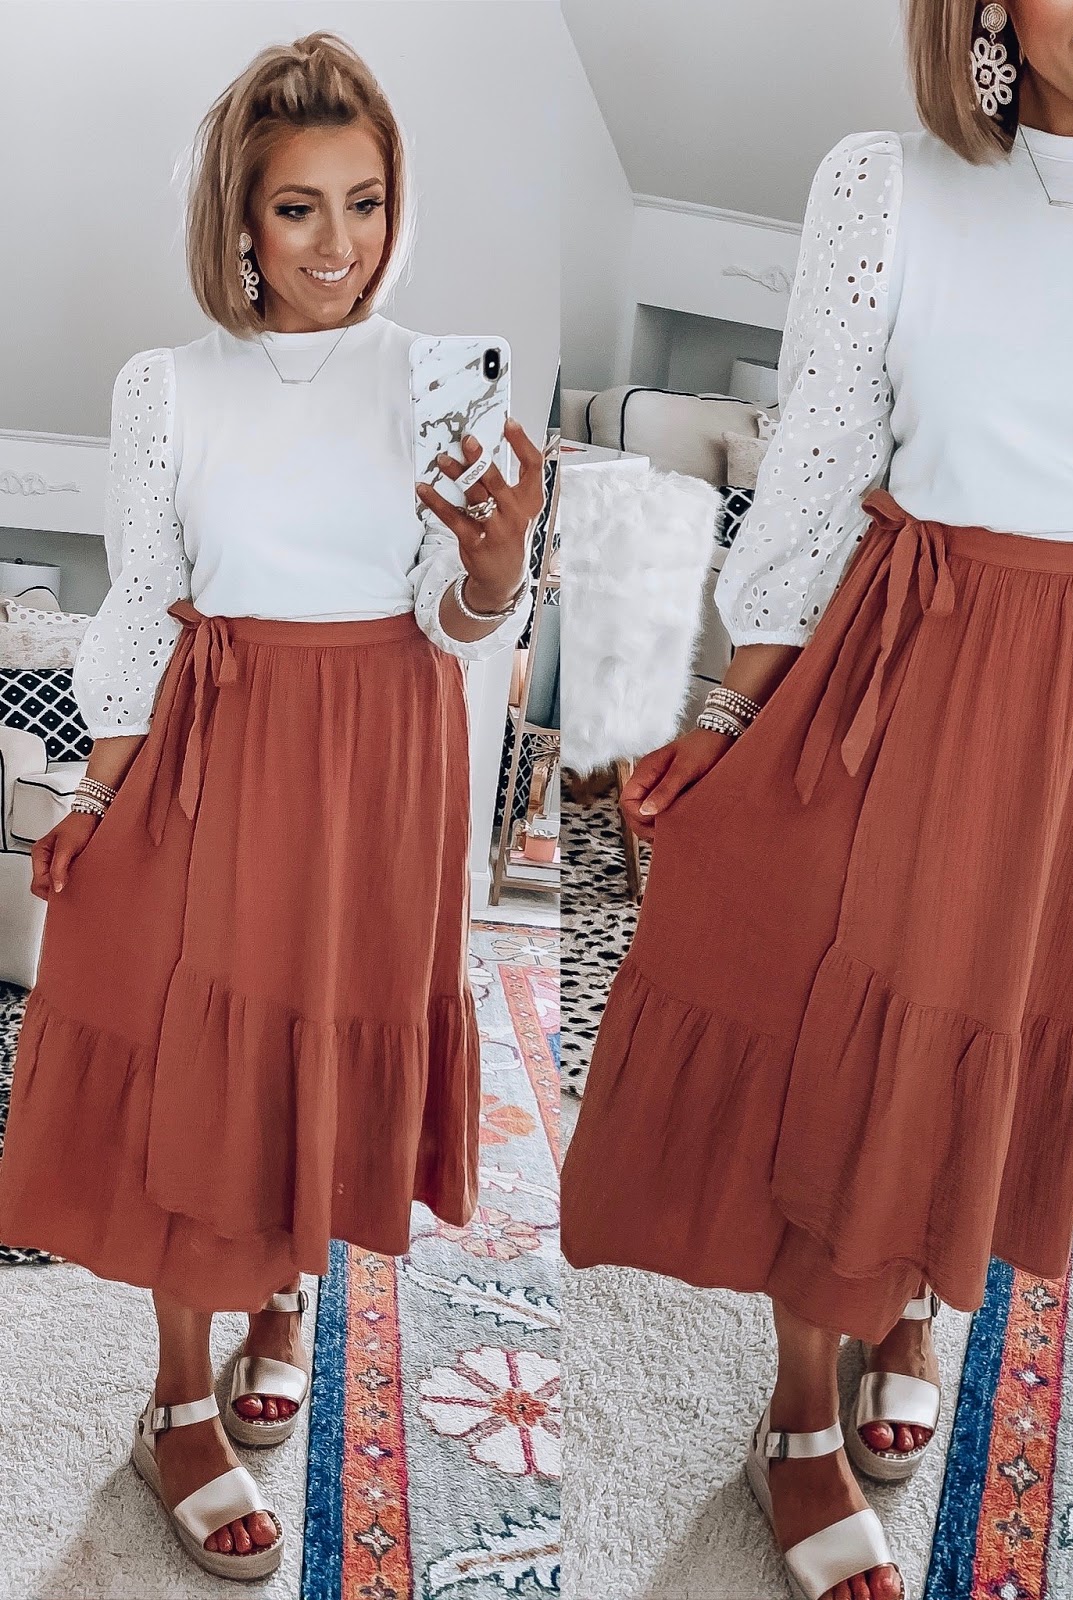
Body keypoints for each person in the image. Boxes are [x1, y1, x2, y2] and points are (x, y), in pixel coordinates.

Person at [559, 3, 1073, 1597]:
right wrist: (725, 709)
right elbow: (819, 467)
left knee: (995, 1004)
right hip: (896, 649)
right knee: (828, 1009)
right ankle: (794, 1418)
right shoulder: (880, 184)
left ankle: (907, 1301)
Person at [0, 31, 544, 1582]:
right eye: (298, 207)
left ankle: (285, 1288)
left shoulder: (438, 379)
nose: (335, 244)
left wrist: (500, 564)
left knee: (322, 1027)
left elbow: (456, 621)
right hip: (214, 746)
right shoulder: (167, 388)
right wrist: (91, 790)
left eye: (364, 203)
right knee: (194, 1055)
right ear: (241, 216)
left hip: (382, 755)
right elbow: (143, 602)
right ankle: (178, 1404)